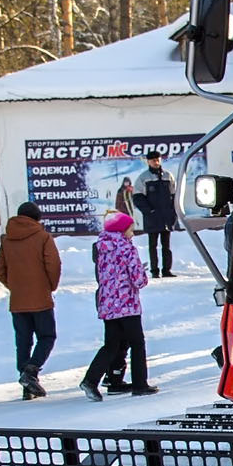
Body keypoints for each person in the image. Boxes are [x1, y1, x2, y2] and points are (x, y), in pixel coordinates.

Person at [81, 211, 158, 399]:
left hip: (108, 304)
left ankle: (90, 380)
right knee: (137, 343)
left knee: (111, 345)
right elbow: (138, 279)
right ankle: (140, 384)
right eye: (131, 229)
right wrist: (143, 276)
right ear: (123, 229)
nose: (132, 232)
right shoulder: (126, 247)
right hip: (127, 303)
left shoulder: (102, 246)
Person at [0, 200, 62, 400]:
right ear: (37, 218)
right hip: (40, 297)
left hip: (18, 300)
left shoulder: (7, 240)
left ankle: (26, 386)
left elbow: (0, 270)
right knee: (47, 336)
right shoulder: (43, 237)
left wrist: (14, 285)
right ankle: (31, 372)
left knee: (23, 342)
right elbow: (54, 265)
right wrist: (49, 285)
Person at [131, 149, 180, 277]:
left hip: (166, 216)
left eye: (158, 159)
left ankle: (166, 270)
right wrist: (149, 211)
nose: (156, 162)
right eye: (153, 160)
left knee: (166, 245)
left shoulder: (168, 176)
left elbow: (174, 195)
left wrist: (173, 212)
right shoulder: (143, 178)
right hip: (152, 217)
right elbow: (137, 197)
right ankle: (154, 271)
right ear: (148, 162)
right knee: (153, 245)